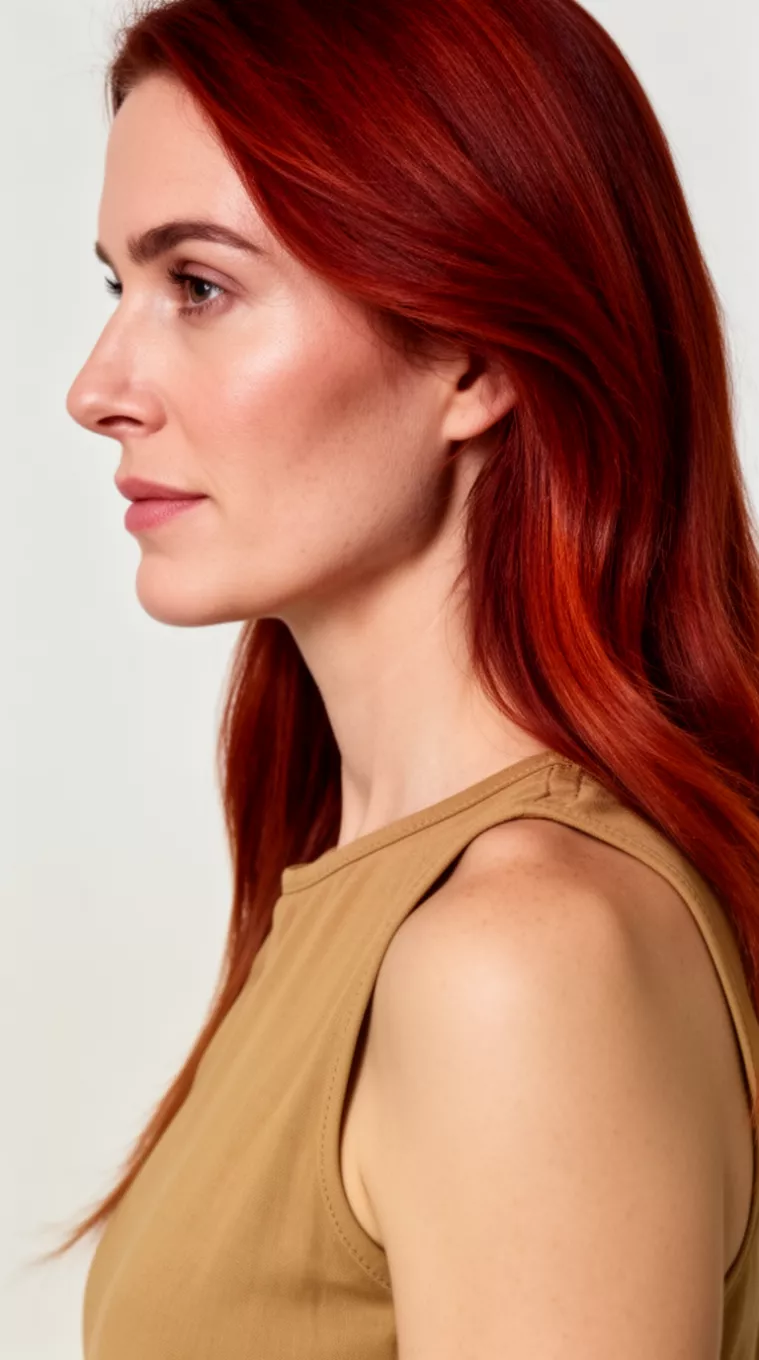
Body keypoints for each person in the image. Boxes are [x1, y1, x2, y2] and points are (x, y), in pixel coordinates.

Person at [52, 0, 759, 1355]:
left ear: (472, 357)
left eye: (197, 286)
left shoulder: (517, 962)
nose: (98, 387)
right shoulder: (371, 895)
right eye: (116, 287)